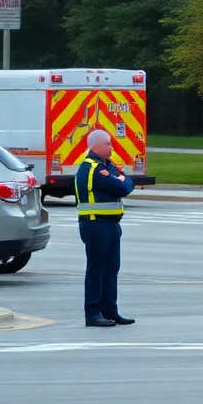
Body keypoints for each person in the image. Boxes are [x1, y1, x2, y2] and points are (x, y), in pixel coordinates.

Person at [77, 129, 136, 327]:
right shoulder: (93, 168)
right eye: (108, 143)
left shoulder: (106, 166)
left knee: (111, 268)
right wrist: (120, 180)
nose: (111, 147)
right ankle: (93, 314)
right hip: (95, 224)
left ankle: (110, 311)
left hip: (111, 224)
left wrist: (121, 179)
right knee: (96, 269)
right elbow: (122, 187)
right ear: (97, 146)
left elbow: (128, 184)